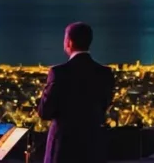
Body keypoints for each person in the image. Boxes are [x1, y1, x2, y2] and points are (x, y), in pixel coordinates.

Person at [38, 22, 115, 163]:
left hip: (63, 148)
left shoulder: (58, 73)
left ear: (69, 42)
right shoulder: (105, 73)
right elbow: (104, 106)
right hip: (93, 146)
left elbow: (45, 112)